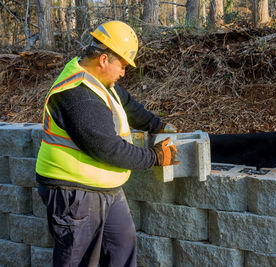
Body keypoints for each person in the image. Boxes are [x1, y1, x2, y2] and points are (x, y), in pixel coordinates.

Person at [35, 20, 179, 267]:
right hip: (74, 193)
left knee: (121, 249)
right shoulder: (77, 95)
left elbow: (127, 104)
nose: (124, 72)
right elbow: (107, 148)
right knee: (80, 261)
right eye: (122, 65)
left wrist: (157, 125)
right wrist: (154, 157)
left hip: (106, 189)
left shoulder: (100, 81)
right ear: (103, 60)